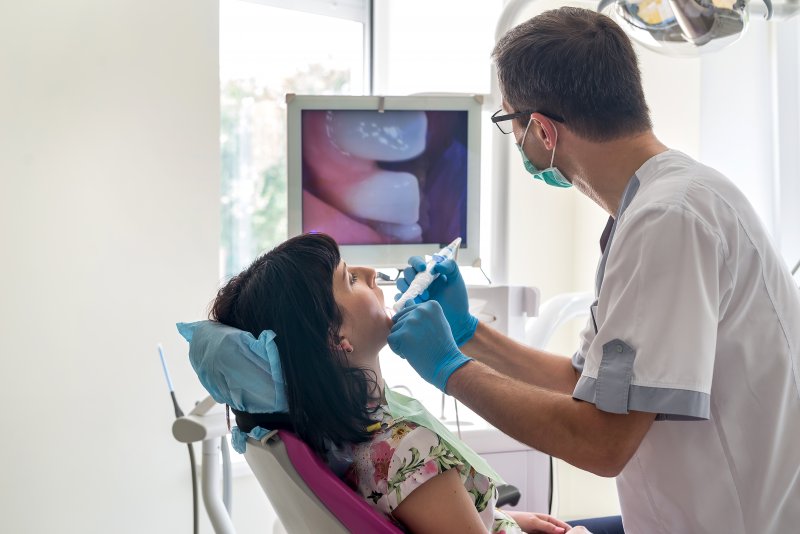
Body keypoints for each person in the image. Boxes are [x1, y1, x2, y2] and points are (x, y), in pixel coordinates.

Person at [388, 7, 800, 534]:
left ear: (541, 129)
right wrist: (469, 335)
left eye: (509, 122)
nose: (517, 141)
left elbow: (602, 443)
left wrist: (449, 369)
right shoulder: (662, 203)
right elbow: (584, 383)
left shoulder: (668, 220)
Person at [180, 233, 586, 534]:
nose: (371, 273)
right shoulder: (405, 449)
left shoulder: (343, 443)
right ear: (335, 340)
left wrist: (499, 519)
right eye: (349, 280)